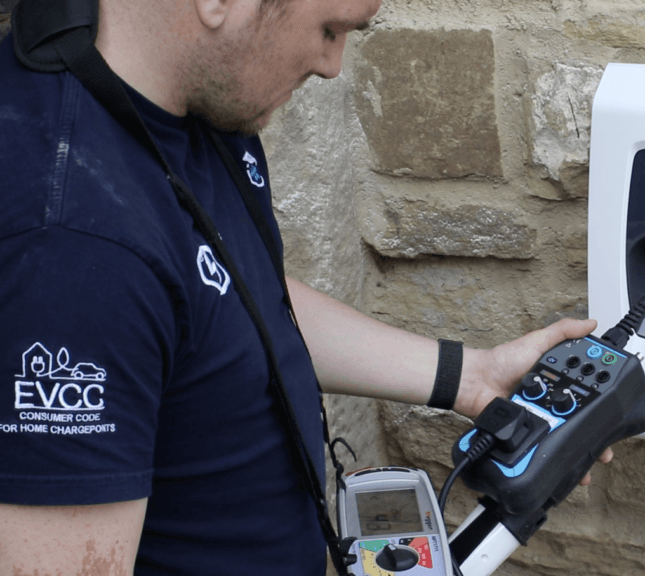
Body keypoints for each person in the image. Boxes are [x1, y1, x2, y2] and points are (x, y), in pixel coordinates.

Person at [0, 0, 607, 574]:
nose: (333, 64)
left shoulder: (193, 95)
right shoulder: (73, 253)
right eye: (329, 29)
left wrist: (473, 377)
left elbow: (222, 298)